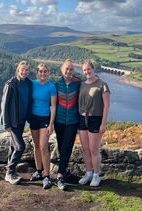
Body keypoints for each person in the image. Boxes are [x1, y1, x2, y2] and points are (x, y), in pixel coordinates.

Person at [78, 60, 110, 187]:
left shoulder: (103, 84)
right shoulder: (82, 84)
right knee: (85, 149)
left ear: (93, 69)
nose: (86, 72)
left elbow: (106, 106)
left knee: (93, 149)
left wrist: (103, 124)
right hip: (82, 119)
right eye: (84, 70)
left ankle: (97, 175)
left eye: (88, 69)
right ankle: (89, 173)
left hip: (95, 119)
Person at [0, 60, 33, 185]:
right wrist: (6, 124)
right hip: (13, 122)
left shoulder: (29, 84)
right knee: (20, 147)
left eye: (26, 70)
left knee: (13, 147)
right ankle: (9, 172)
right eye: (22, 69)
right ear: (18, 70)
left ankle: (11, 173)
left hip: (22, 121)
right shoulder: (11, 84)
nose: (24, 72)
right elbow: (4, 105)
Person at [54, 59, 81, 190]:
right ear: (62, 70)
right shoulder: (56, 84)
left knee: (67, 147)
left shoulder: (78, 83)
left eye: (71, 69)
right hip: (58, 121)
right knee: (61, 147)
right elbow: (52, 103)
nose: (68, 71)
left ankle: (59, 176)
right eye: (66, 69)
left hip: (72, 121)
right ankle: (64, 170)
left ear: (73, 71)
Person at [29, 63, 57, 189]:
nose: (43, 73)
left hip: (45, 119)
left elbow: (54, 106)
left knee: (43, 147)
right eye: (41, 71)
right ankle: (38, 171)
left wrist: (51, 124)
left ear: (48, 73)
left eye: (45, 71)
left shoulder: (51, 87)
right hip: (33, 118)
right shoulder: (33, 84)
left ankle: (47, 176)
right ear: (37, 72)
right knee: (36, 146)